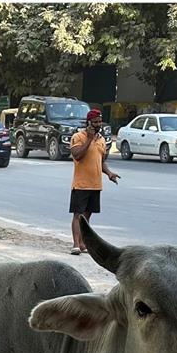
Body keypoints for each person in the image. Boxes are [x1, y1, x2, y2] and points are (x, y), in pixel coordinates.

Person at [68, 108, 120, 255]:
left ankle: (84, 243)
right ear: (88, 123)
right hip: (81, 184)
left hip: (95, 184)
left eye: (99, 122)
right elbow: (77, 155)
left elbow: (101, 161)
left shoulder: (102, 140)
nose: (98, 124)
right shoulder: (78, 137)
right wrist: (89, 139)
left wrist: (109, 173)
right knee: (78, 215)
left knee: (86, 217)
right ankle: (76, 244)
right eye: (95, 122)